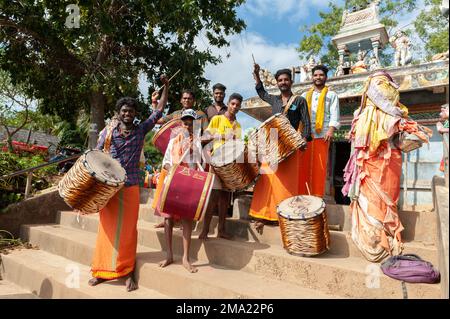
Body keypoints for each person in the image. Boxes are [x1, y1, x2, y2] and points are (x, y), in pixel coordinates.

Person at [89, 75, 169, 291]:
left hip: (131, 185)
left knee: (128, 230)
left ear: (134, 115)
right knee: (106, 228)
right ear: (118, 112)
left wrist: (166, 87)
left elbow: (158, 111)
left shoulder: (141, 130)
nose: (127, 114)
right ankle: (101, 270)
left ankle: (126, 272)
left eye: (131, 111)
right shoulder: (108, 132)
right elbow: (96, 155)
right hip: (110, 187)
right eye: (124, 110)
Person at [342, 71, 431, 262]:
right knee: (373, 201)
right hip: (372, 166)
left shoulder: (392, 116)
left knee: (383, 200)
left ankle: (380, 237)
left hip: (385, 165)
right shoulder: (387, 115)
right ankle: (376, 238)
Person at [248, 64, 311, 233]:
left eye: (286, 79)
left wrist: (304, 140)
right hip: (272, 145)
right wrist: (256, 75)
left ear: (291, 81)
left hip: (290, 147)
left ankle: (281, 215)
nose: (283, 82)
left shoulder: (299, 100)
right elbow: (262, 93)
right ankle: (261, 215)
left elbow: (306, 122)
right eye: (280, 80)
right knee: (266, 180)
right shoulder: (274, 100)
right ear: (277, 83)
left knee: (286, 184)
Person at [157, 109, 203, 273]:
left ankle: (185, 258)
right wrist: (173, 170)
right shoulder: (173, 141)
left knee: (186, 219)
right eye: (185, 122)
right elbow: (166, 162)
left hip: (188, 183)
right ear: (181, 124)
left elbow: (198, 164)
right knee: (168, 219)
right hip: (173, 181)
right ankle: (169, 255)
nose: (188, 125)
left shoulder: (197, 142)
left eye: (191, 122)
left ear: (194, 124)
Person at [199, 93, 244, 240]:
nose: (235, 107)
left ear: (239, 107)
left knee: (225, 198)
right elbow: (204, 137)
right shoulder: (217, 119)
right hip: (216, 162)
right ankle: (205, 231)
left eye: (237, 105)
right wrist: (218, 136)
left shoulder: (238, 125)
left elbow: (238, 146)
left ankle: (222, 230)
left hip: (229, 165)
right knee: (213, 197)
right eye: (233, 104)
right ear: (228, 104)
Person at [301, 65, 340, 197]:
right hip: (306, 135)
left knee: (320, 166)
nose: (318, 77)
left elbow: (334, 114)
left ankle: (317, 197)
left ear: (326, 77)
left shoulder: (331, 95)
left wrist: (330, 130)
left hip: (322, 134)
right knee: (304, 166)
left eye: (321, 75)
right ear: (312, 77)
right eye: (316, 75)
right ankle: (303, 195)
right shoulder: (304, 95)